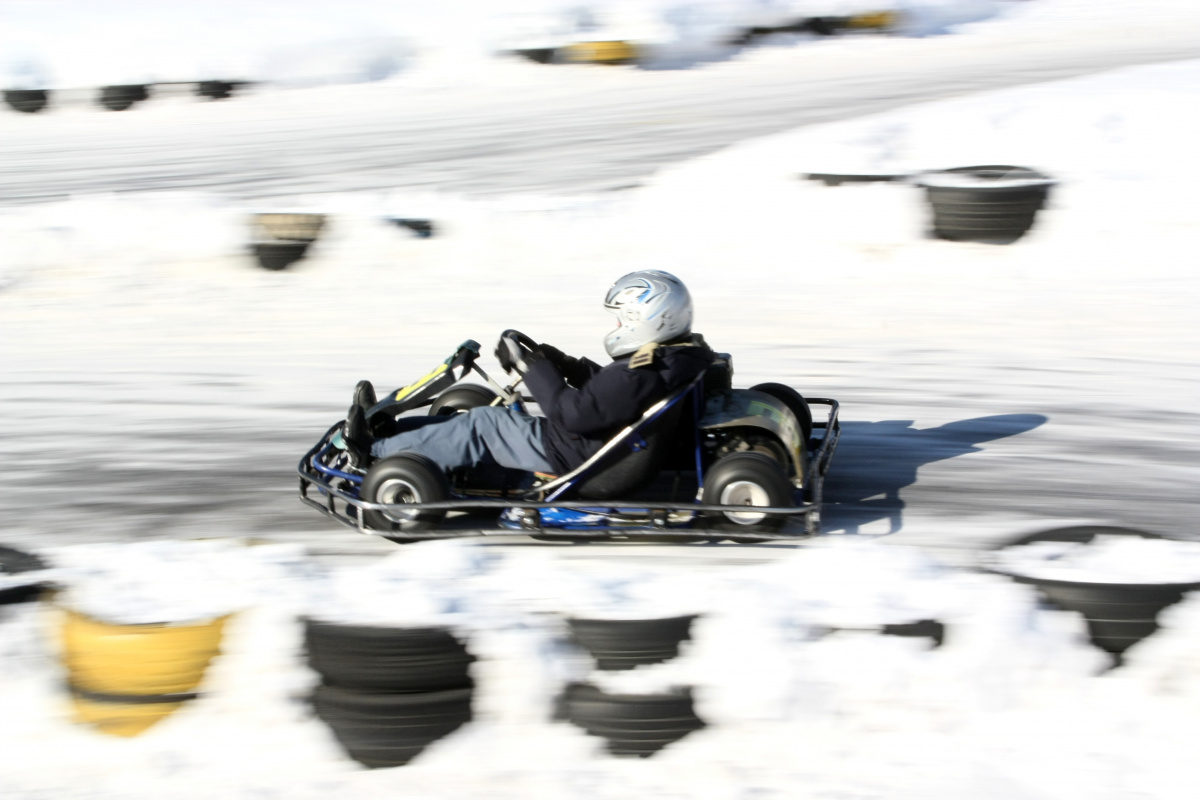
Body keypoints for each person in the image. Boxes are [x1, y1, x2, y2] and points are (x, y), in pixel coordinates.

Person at [340, 270, 715, 478]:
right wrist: (564, 365)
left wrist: (531, 368)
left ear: (645, 320)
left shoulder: (645, 371)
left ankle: (375, 452)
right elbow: (610, 393)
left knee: (483, 423)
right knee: (485, 414)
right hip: (588, 442)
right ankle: (394, 432)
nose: (617, 324)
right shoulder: (671, 359)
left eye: (621, 317)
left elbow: (573, 413)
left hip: (573, 453)